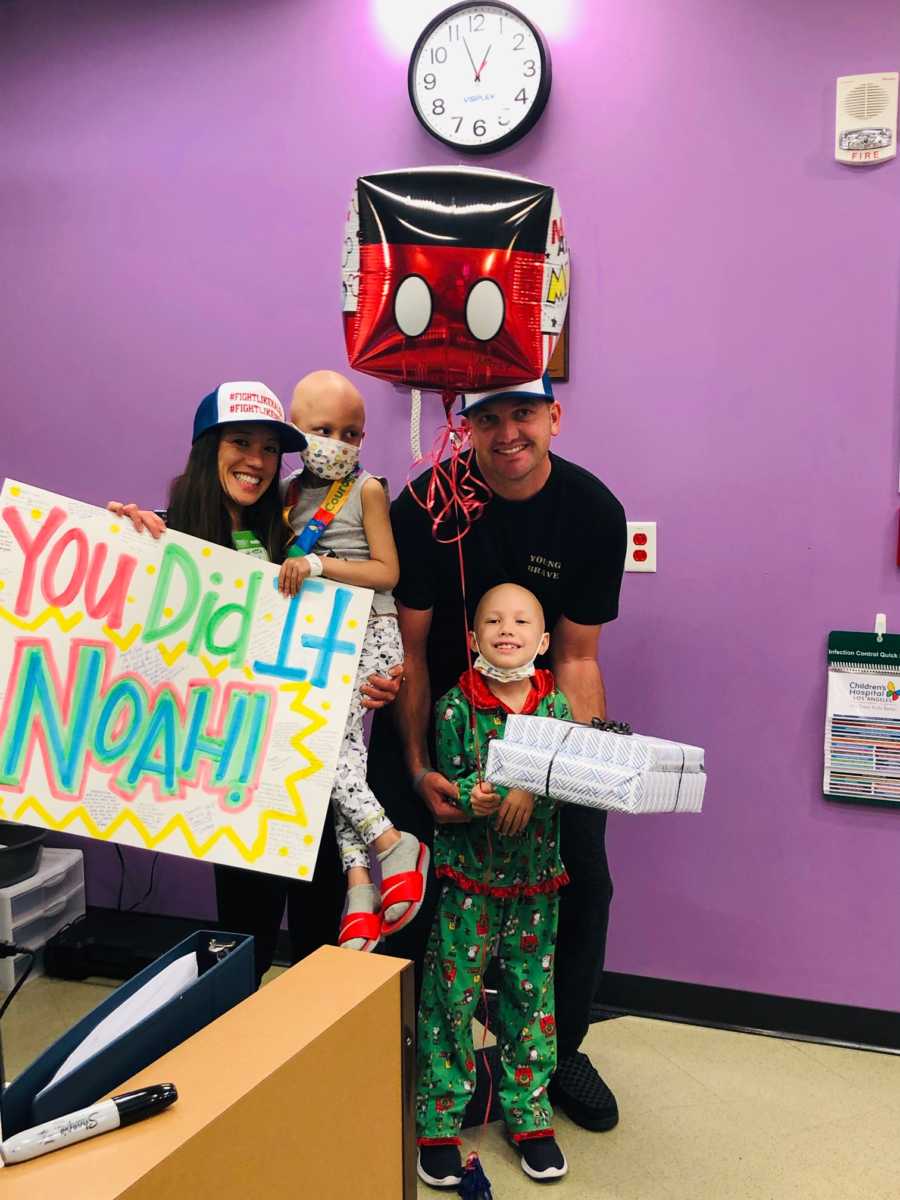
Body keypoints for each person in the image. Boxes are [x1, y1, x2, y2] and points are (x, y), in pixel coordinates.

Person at [367, 373, 627, 1133]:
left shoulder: (592, 514)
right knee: (407, 881)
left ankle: (560, 1048)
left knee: (586, 882)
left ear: (555, 416)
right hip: (439, 721)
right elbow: (410, 649)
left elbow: (577, 660)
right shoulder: (427, 508)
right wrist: (416, 769)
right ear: (465, 424)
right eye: (489, 417)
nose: (508, 432)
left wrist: (568, 776)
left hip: (540, 722)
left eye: (524, 413)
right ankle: (399, 1050)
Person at [109, 380, 385, 983]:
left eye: (268, 448)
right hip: (230, 774)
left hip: (302, 768)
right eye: (240, 442)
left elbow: (337, 626)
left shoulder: (288, 537)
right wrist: (116, 538)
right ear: (207, 448)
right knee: (243, 943)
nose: (256, 461)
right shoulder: (165, 533)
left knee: (319, 941)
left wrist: (371, 680)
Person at [417, 583, 571, 1187]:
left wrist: (532, 790)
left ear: (544, 638)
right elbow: (449, 788)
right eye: (493, 621)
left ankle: (530, 1115)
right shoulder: (456, 706)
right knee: (450, 1003)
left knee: (531, 998)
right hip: (469, 884)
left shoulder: (556, 709)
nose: (508, 630)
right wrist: (473, 797)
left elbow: (572, 779)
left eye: (522, 621)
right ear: (474, 635)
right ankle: (438, 1122)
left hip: (536, 882)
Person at [279, 370, 429, 950]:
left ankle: (392, 842)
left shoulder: (366, 489)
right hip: (313, 638)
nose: (338, 442)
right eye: (322, 429)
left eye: (352, 433)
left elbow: (386, 572)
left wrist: (321, 566)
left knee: (327, 748)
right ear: (296, 430)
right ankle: (361, 884)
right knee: (335, 756)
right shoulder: (287, 493)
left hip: (369, 630)